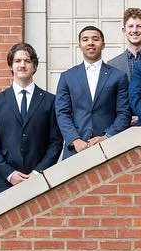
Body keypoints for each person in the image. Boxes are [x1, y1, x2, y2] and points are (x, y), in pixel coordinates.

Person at [0, 43, 63, 197]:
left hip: (40, 180)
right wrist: (9, 174)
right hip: (4, 183)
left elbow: (55, 142)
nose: (22, 65)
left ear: (34, 66)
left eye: (27, 61)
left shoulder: (50, 100)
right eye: (17, 61)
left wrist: (37, 172)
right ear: (11, 66)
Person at [55, 25, 131, 155]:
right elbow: (62, 113)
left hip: (109, 148)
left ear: (103, 44)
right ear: (79, 45)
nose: (90, 42)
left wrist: (107, 137)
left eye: (95, 39)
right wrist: (75, 139)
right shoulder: (67, 77)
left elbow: (124, 113)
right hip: (76, 149)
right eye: (85, 39)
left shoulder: (118, 76)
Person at [106, 7, 141, 78]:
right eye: (130, 26)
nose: (134, 30)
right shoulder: (112, 65)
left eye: (139, 26)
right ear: (124, 31)